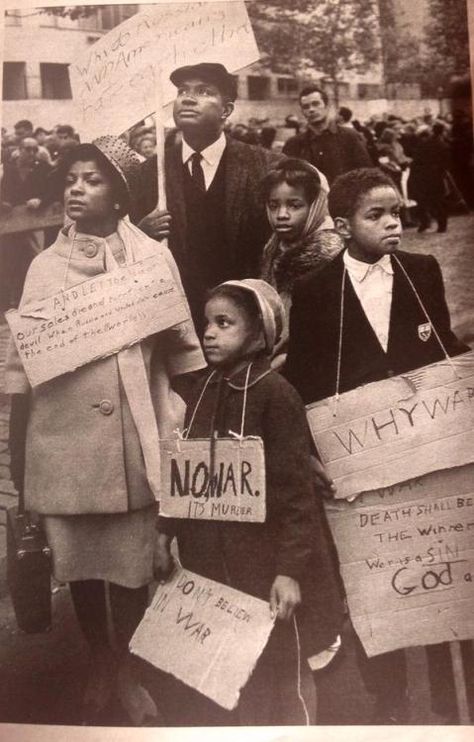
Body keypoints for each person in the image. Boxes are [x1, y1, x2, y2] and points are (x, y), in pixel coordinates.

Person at [5, 135, 205, 726]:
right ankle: (99, 659)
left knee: (132, 565)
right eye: (71, 179)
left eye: (92, 180)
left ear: (120, 196)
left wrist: (179, 422)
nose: (76, 188)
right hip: (64, 444)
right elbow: (23, 367)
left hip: (136, 440)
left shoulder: (151, 259)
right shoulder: (44, 266)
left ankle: (130, 669)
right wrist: (20, 461)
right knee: (81, 564)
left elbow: (185, 352)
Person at [284, 167, 469, 723]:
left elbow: (442, 349)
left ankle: (447, 698)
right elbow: (307, 376)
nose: (393, 223)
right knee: (371, 578)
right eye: (376, 215)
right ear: (341, 226)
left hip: (425, 449)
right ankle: (388, 700)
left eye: (397, 212)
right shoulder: (316, 291)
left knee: (439, 566)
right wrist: (309, 450)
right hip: (357, 461)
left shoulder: (422, 270)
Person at [154, 278, 343, 726]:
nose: (209, 333)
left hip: (265, 567)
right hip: (212, 566)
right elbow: (185, 473)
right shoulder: (200, 390)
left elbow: (297, 495)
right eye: (207, 323)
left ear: (259, 334)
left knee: (282, 673)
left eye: (225, 323)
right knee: (227, 674)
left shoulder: (277, 396)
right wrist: (164, 535)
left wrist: (289, 571)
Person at [131, 62, 282, 335]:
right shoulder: (148, 174)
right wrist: (141, 233)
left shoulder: (265, 166)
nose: (187, 98)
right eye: (181, 91)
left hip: (247, 317)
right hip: (177, 322)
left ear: (226, 110)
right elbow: (125, 247)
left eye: (203, 91)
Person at [260, 158, 343, 366]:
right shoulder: (273, 245)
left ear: (317, 205)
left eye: (294, 205)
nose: (282, 215)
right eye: (273, 205)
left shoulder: (329, 254)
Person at [0, 137, 53, 308]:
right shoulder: (9, 170)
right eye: (27, 149)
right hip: (11, 224)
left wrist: (41, 200)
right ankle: (11, 302)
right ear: (20, 150)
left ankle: (39, 300)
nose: (31, 153)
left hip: (36, 220)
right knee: (11, 261)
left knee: (36, 258)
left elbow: (52, 190)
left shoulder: (43, 168)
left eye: (34, 149)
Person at [282, 86, 371, 184]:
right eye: (306, 107)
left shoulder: (350, 137)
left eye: (316, 104)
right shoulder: (294, 144)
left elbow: (366, 174)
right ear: (302, 112)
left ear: (327, 106)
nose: (311, 109)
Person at [408, 123, 451, 233]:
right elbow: (445, 162)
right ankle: (442, 224)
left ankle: (425, 223)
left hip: (421, 176)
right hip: (435, 176)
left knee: (422, 200)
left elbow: (416, 161)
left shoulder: (424, 144)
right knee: (437, 200)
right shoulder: (442, 145)